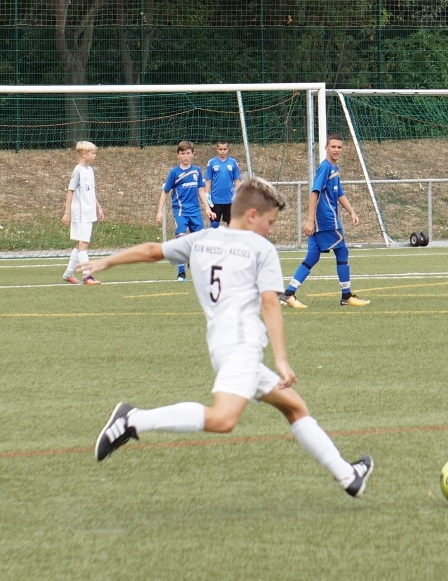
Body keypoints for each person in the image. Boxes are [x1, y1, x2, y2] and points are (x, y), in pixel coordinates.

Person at [87, 177, 374, 498]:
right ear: (251, 215)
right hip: (242, 347)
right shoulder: (260, 248)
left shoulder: (203, 239)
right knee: (223, 419)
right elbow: (270, 303)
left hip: (222, 345)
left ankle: (347, 475)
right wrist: (281, 359)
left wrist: (108, 260)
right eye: (270, 222)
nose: (270, 230)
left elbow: (152, 251)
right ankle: (133, 420)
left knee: (294, 406)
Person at [279, 134, 369, 308]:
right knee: (342, 251)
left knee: (312, 256)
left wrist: (351, 211)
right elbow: (314, 192)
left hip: (322, 221)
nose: (336, 150)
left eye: (339, 147)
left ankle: (288, 294)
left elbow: (340, 193)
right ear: (326, 148)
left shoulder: (334, 168)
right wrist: (309, 220)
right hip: (326, 220)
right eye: (333, 146)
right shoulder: (325, 167)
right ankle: (346, 296)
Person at [157, 141, 215, 282]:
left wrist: (207, 208)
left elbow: (201, 190)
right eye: (182, 153)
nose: (185, 156)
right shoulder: (174, 172)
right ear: (178, 155)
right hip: (181, 211)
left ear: (193, 154)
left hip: (195, 211)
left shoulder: (196, 171)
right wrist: (159, 211)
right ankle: (181, 273)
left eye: (188, 153)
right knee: (181, 238)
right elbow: (165, 192)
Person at [61, 141, 104, 285]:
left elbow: (91, 192)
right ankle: (87, 276)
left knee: (80, 244)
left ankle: (68, 274)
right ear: (84, 154)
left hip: (89, 212)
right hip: (80, 213)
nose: (95, 155)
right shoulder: (78, 170)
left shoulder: (90, 170)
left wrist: (98, 207)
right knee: (84, 243)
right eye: (92, 153)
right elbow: (70, 191)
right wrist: (67, 212)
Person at [205, 140, 242, 228]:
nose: (222, 151)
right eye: (220, 149)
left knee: (231, 224)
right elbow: (208, 180)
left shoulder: (233, 162)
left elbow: (236, 180)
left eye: (225, 149)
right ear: (217, 149)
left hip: (230, 199)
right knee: (214, 224)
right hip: (215, 199)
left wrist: (239, 194)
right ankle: (214, 237)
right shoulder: (212, 162)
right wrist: (207, 194)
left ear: (228, 149)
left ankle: (230, 237)